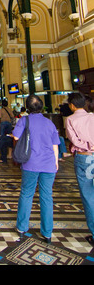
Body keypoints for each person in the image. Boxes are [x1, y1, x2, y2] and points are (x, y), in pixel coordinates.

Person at [13, 94, 60, 243]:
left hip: (30, 163)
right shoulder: (49, 123)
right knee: (47, 197)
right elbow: (55, 144)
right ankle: (47, 232)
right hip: (48, 164)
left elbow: (15, 137)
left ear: (27, 107)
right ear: (41, 106)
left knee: (27, 194)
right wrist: (56, 161)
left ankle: (22, 227)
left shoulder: (24, 120)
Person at [65, 92, 94, 247]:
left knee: (88, 195)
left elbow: (74, 140)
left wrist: (88, 146)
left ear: (72, 105)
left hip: (83, 158)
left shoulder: (70, 119)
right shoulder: (93, 117)